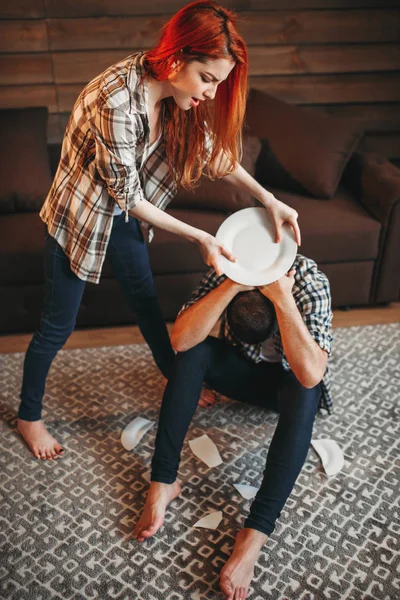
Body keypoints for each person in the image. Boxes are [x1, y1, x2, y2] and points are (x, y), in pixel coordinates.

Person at [17, 0, 301, 461]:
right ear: (175, 60)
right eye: (207, 79)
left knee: (145, 301)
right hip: (80, 219)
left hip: (126, 216)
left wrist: (268, 199)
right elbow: (128, 195)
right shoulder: (115, 100)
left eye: (218, 83)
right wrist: (201, 237)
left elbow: (213, 154)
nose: (211, 93)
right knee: (57, 325)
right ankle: (29, 416)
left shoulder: (173, 95)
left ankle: (170, 368)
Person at [134, 254, 333, 600]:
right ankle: (163, 482)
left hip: (289, 380)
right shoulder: (230, 265)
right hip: (242, 370)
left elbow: (312, 372)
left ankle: (255, 533)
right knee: (192, 353)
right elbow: (181, 338)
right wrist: (232, 283)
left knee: (307, 390)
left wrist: (282, 297)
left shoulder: (308, 280)